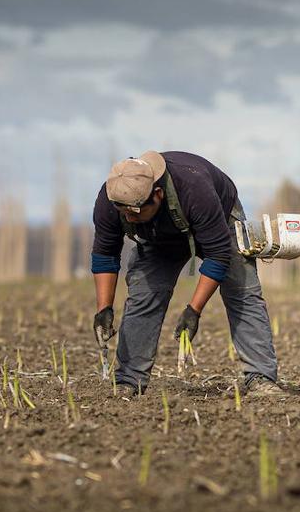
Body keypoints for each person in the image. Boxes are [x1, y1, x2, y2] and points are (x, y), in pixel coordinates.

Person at [91, 150, 286, 397]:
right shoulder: (111, 198)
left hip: (219, 221)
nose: (130, 218)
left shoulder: (195, 189)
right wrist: (104, 308)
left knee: (242, 292)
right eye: (124, 213)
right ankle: (129, 380)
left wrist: (193, 310)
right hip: (158, 237)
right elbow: (105, 255)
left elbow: (218, 255)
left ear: (158, 195)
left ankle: (261, 377)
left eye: (136, 212)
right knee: (143, 296)